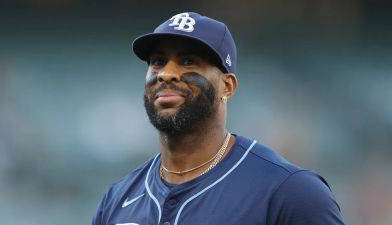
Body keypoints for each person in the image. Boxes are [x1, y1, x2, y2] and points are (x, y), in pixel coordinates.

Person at [92, 12, 345, 225]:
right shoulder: (118, 199)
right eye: (158, 62)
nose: (166, 74)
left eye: (188, 61)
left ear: (228, 86)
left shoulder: (290, 192)